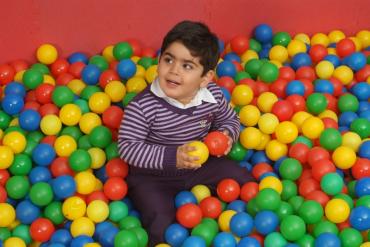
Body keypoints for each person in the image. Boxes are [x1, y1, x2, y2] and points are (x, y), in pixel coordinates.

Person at [118, 20, 253, 246]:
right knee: (161, 225)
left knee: (245, 181)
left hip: (200, 165)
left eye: (187, 66)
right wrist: (173, 157)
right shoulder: (143, 106)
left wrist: (227, 136)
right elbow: (128, 148)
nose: (174, 70)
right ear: (159, 60)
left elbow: (229, 118)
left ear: (205, 78)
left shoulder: (213, 96)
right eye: (168, 59)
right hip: (152, 177)